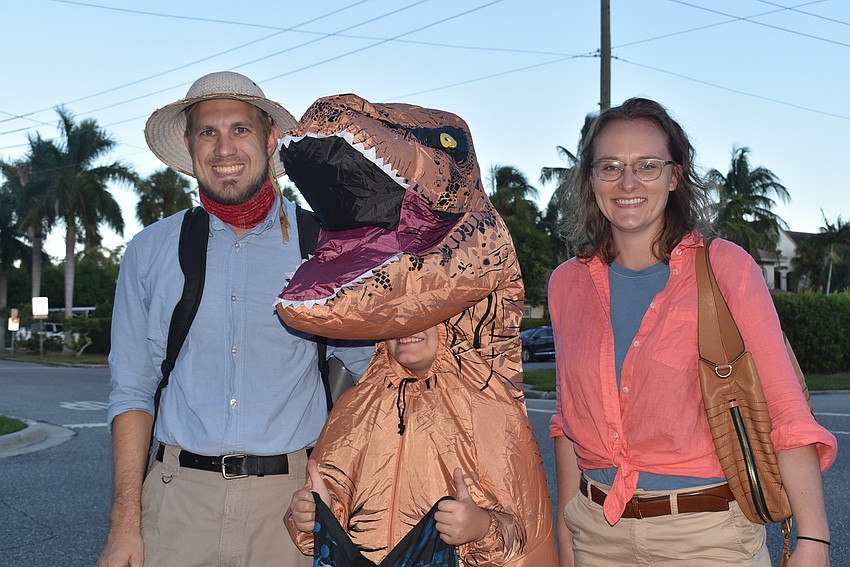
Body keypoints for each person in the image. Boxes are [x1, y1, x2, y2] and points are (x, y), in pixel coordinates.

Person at [97, 71, 373, 567]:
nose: (225, 148)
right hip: (177, 506)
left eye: (241, 129)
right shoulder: (148, 252)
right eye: (209, 132)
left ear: (269, 139)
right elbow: (132, 393)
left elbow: (375, 373)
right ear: (190, 144)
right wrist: (123, 525)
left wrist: (337, 474)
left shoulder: (324, 248)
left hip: (292, 510)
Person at [548, 97, 837, 567]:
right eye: (610, 167)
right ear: (591, 179)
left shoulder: (725, 267)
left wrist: (814, 539)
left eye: (647, 165)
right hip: (596, 536)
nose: (628, 182)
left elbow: (785, 407)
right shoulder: (567, 284)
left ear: (674, 175)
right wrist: (567, 540)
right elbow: (565, 422)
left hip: (709, 541)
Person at [286, 321, 557, 565]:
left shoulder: (489, 409)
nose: (405, 325)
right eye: (395, 314)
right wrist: (314, 516)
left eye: (421, 315)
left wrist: (482, 527)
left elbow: (527, 530)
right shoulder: (354, 407)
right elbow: (324, 505)